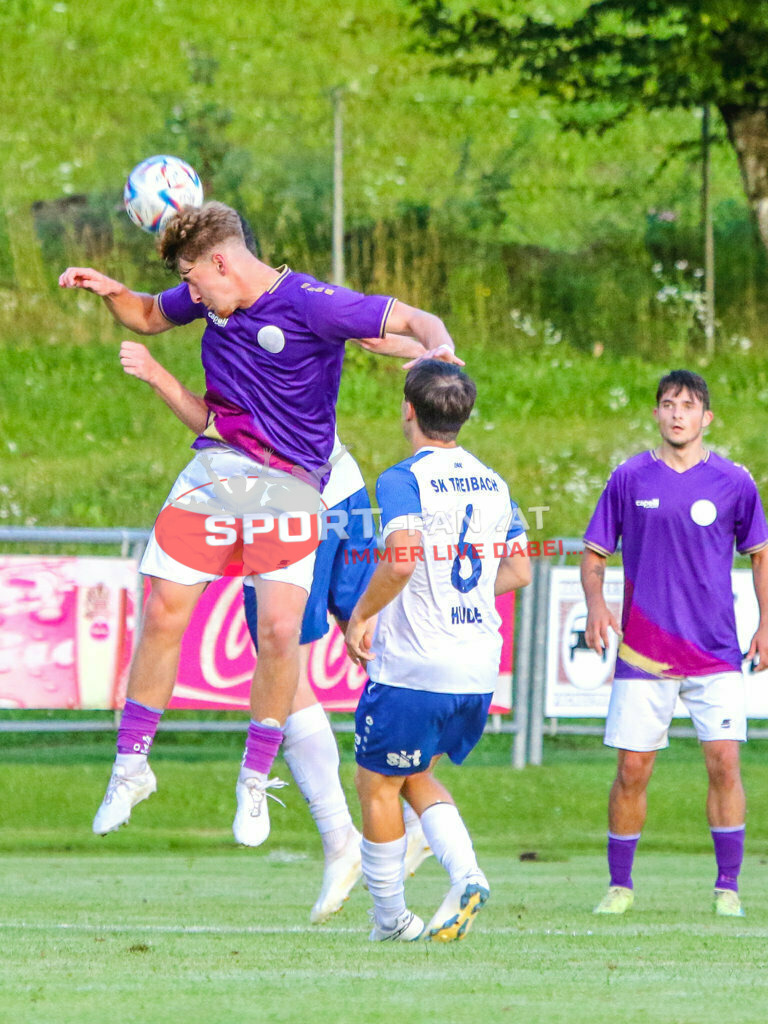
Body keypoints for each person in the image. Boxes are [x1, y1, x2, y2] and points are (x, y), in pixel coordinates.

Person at [59, 201, 461, 853]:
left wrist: (438, 349)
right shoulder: (209, 299)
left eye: (193, 279)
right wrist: (110, 291)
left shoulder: (310, 303)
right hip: (217, 464)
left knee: (279, 632)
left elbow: (414, 320)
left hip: (291, 485)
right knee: (162, 608)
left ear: (223, 260)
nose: (188, 295)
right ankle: (131, 767)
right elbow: (147, 313)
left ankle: (254, 779)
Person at [119, 340, 434, 924]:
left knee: (283, 652)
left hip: (287, 501)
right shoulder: (274, 316)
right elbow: (365, 326)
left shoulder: (249, 320)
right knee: (359, 644)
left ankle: (347, 835)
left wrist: (158, 373)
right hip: (336, 486)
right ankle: (412, 816)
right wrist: (426, 344)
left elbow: (361, 325)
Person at [345, 360, 531, 942]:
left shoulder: (403, 479)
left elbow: (401, 558)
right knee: (415, 771)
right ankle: (466, 874)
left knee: (375, 782)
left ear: (408, 410)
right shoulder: (494, 481)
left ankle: (390, 920)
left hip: (418, 666)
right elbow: (520, 569)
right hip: (477, 664)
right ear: (462, 415)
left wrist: (362, 612)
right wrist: (462, 593)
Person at [581, 369, 768, 918]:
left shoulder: (734, 482)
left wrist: (765, 623)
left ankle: (727, 887)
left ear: (706, 417)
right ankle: (619, 887)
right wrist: (596, 604)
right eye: (668, 404)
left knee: (724, 764)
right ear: (657, 415)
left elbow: (760, 555)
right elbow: (594, 556)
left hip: (715, 652)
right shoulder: (629, 478)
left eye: (688, 405)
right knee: (632, 771)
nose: (677, 413)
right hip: (643, 654)